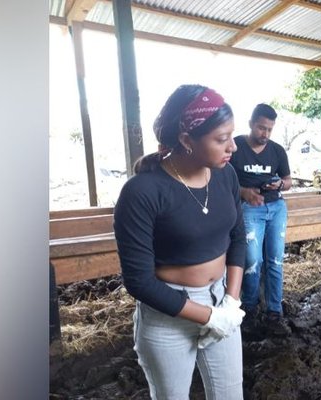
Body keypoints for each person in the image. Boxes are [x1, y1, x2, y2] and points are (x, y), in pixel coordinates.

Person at [113, 84, 247, 399]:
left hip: (221, 301)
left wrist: (231, 302)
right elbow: (139, 282)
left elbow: (237, 235)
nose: (233, 147)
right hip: (167, 314)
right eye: (221, 138)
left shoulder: (226, 175)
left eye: (232, 135)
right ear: (187, 140)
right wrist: (209, 316)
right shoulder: (143, 192)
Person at [229, 103, 293, 337]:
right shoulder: (235, 146)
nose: (265, 134)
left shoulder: (276, 150)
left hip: (276, 208)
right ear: (251, 124)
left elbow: (288, 180)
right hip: (249, 208)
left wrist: (279, 184)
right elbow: (219, 179)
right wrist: (244, 192)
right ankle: (250, 307)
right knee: (253, 261)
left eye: (269, 129)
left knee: (275, 261)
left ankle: (274, 311)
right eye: (261, 128)